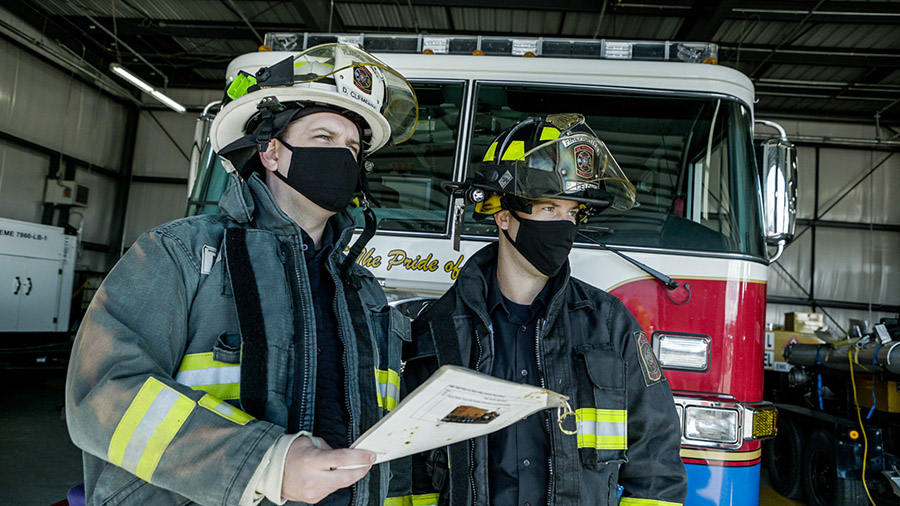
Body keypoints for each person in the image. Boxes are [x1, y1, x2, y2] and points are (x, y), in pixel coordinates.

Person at [65, 43, 417, 506]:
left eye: (353, 147)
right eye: (324, 139)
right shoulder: (180, 254)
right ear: (271, 153)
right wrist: (265, 463)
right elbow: (103, 394)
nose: (343, 158)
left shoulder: (363, 291)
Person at [402, 114, 688, 506]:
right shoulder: (439, 329)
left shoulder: (609, 325)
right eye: (550, 208)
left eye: (573, 213)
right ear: (503, 215)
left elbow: (657, 462)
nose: (564, 227)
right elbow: (409, 468)